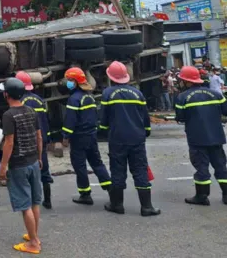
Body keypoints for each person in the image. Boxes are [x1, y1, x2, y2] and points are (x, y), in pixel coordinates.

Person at [100, 61, 160, 217]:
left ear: (111, 77)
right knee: (140, 171)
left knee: (118, 172)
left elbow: (104, 120)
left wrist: (105, 132)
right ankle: (147, 207)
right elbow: (145, 118)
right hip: (137, 139)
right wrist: (145, 132)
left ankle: (117, 205)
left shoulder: (107, 94)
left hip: (117, 140)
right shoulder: (138, 94)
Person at [175, 65, 227, 206]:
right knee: (220, 166)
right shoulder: (215, 94)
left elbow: (180, 117)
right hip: (216, 137)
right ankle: (226, 196)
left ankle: (202, 197)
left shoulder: (183, 97)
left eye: (182, 80)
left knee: (201, 168)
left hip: (197, 139)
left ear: (187, 81)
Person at [0, 77, 43, 254]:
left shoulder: (9, 115)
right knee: (35, 202)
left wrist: (3, 166)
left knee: (25, 205)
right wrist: (39, 158)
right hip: (33, 161)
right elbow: (39, 137)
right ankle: (35, 235)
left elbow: (9, 142)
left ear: (6, 95)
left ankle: (33, 243)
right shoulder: (31, 111)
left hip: (19, 164)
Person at [61, 67, 112, 205]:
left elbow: (70, 120)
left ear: (76, 82)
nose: (68, 83)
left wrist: (65, 136)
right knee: (97, 162)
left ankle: (85, 194)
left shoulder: (74, 99)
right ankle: (111, 189)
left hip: (79, 138)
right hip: (91, 135)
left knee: (80, 166)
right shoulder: (89, 96)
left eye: (70, 80)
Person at [16, 71, 53, 210]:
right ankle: (47, 200)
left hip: (30, 141)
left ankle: (32, 202)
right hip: (42, 139)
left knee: (29, 170)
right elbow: (45, 121)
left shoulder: (22, 102)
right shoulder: (39, 99)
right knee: (44, 169)